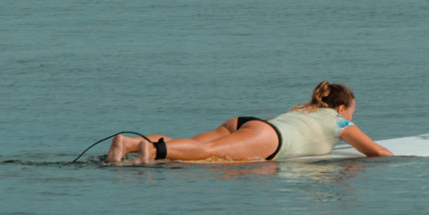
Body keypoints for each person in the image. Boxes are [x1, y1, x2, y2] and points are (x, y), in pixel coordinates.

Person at [105, 81, 392, 164]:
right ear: (342, 108)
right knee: (209, 153)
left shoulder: (304, 109)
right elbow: (374, 152)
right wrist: (407, 160)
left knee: (195, 144)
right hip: (270, 139)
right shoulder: (338, 121)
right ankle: (152, 151)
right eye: (353, 112)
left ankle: (131, 144)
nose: (352, 118)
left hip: (249, 124)